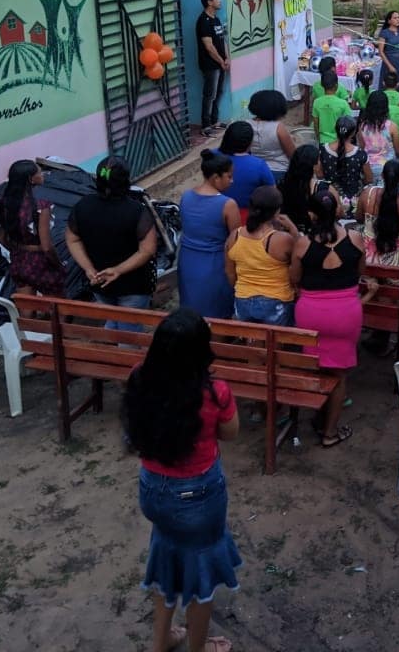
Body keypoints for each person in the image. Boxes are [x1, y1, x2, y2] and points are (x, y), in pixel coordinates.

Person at [122, 308, 240, 652]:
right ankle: (198, 648)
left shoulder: (139, 377)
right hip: (198, 497)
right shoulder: (215, 391)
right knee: (202, 580)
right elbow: (230, 434)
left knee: (165, 562)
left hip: (154, 490)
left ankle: (162, 641)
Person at [289, 191, 367, 448]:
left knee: (317, 365)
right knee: (340, 374)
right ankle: (330, 431)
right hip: (345, 312)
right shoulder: (355, 239)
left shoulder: (302, 243)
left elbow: (294, 278)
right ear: (337, 212)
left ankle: (320, 417)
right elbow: (360, 273)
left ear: (311, 214)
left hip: (311, 312)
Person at [66, 156, 157, 323]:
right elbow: (147, 250)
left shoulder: (82, 205)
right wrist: (118, 270)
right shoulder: (136, 211)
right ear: (126, 180)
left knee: (112, 320)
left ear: (98, 179)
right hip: (132, 286)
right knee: (128, 334)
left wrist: (88, 268)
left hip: (98, 281)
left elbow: (72, 239)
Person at [178, 150, 240, 319]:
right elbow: (235, 241)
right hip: (215, 265)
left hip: (188, 260)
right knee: (217, 314)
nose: (232, 181)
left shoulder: (186, 196)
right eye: (229, 176)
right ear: (216, 177)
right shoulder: (228, 204)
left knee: (191, 311)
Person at [225, 185, 297, 328]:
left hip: (243, 300)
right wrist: (293, 228)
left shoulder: (235, 236)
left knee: (251, 342)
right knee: (275, 345)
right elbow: (302, 254)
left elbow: (230, 272)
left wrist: (243, 289)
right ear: (277, 211)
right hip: (276, 301)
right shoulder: (282, 239)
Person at [0, 159, 65, 297]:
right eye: (39, 172)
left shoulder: (5, 203)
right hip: (40, 263)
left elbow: (1, 238)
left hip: (18, 261)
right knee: (58, 305)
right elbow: (46, 247)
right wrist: (58, 265)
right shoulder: (41, 205)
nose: (43, 175)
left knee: (27, 307)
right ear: (31, 179)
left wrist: (19, 248)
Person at [357, 159, 399, 269]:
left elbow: (359, 219)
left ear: (382, 176)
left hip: (368, 261)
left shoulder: (367, 194)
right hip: (398, 264)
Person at [216, 122, 274, 221]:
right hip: (244, 216)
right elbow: (272, 193)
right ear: (250, 143)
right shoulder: (259, 165)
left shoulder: (213, 155)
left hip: (215, 209)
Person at [281, 144, 343, 234]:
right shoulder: (324, 188)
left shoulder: (282, 185)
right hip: (317, 235)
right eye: (318, 160)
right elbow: (338, 213)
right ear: (313, 166)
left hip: (289, 233)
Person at [319, 116, 371, 216]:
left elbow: (319, 174)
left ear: (335, 129)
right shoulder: (361, 154)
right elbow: (369, 179)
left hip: (329, 201)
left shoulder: (322, 150)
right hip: (353, 203)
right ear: (353, 133)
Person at [196, 0, 229, 137]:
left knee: (219, 93)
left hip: (221, 63)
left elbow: (223, 40)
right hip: (210, 65)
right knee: (210, 94)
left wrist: (227, 58)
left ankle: (215, 121)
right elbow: (209, 46)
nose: (219, 0)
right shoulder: (203, 21)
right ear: (209, 2)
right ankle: (205, 125)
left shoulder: (216, 19)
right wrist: (221, 61)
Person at [247, 90, 295, 186]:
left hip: (254, 169)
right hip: (279, 171)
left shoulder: (246, 125)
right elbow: (293, 155)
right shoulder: (278, 128)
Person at [357, 90, 399, 186]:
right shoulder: (392, 126)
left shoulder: (362, 126)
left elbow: (361, 148)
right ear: (386, 107)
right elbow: (398, 151)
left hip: (368, 169)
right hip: (388, 170)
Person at [313, 70, 351, 146]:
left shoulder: (316, 102)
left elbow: (315, 123)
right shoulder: (343, 104)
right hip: (339, 141)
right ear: (337, 85)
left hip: (323, 140)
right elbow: (349, 124)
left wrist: (318, 137)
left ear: (321, 84)